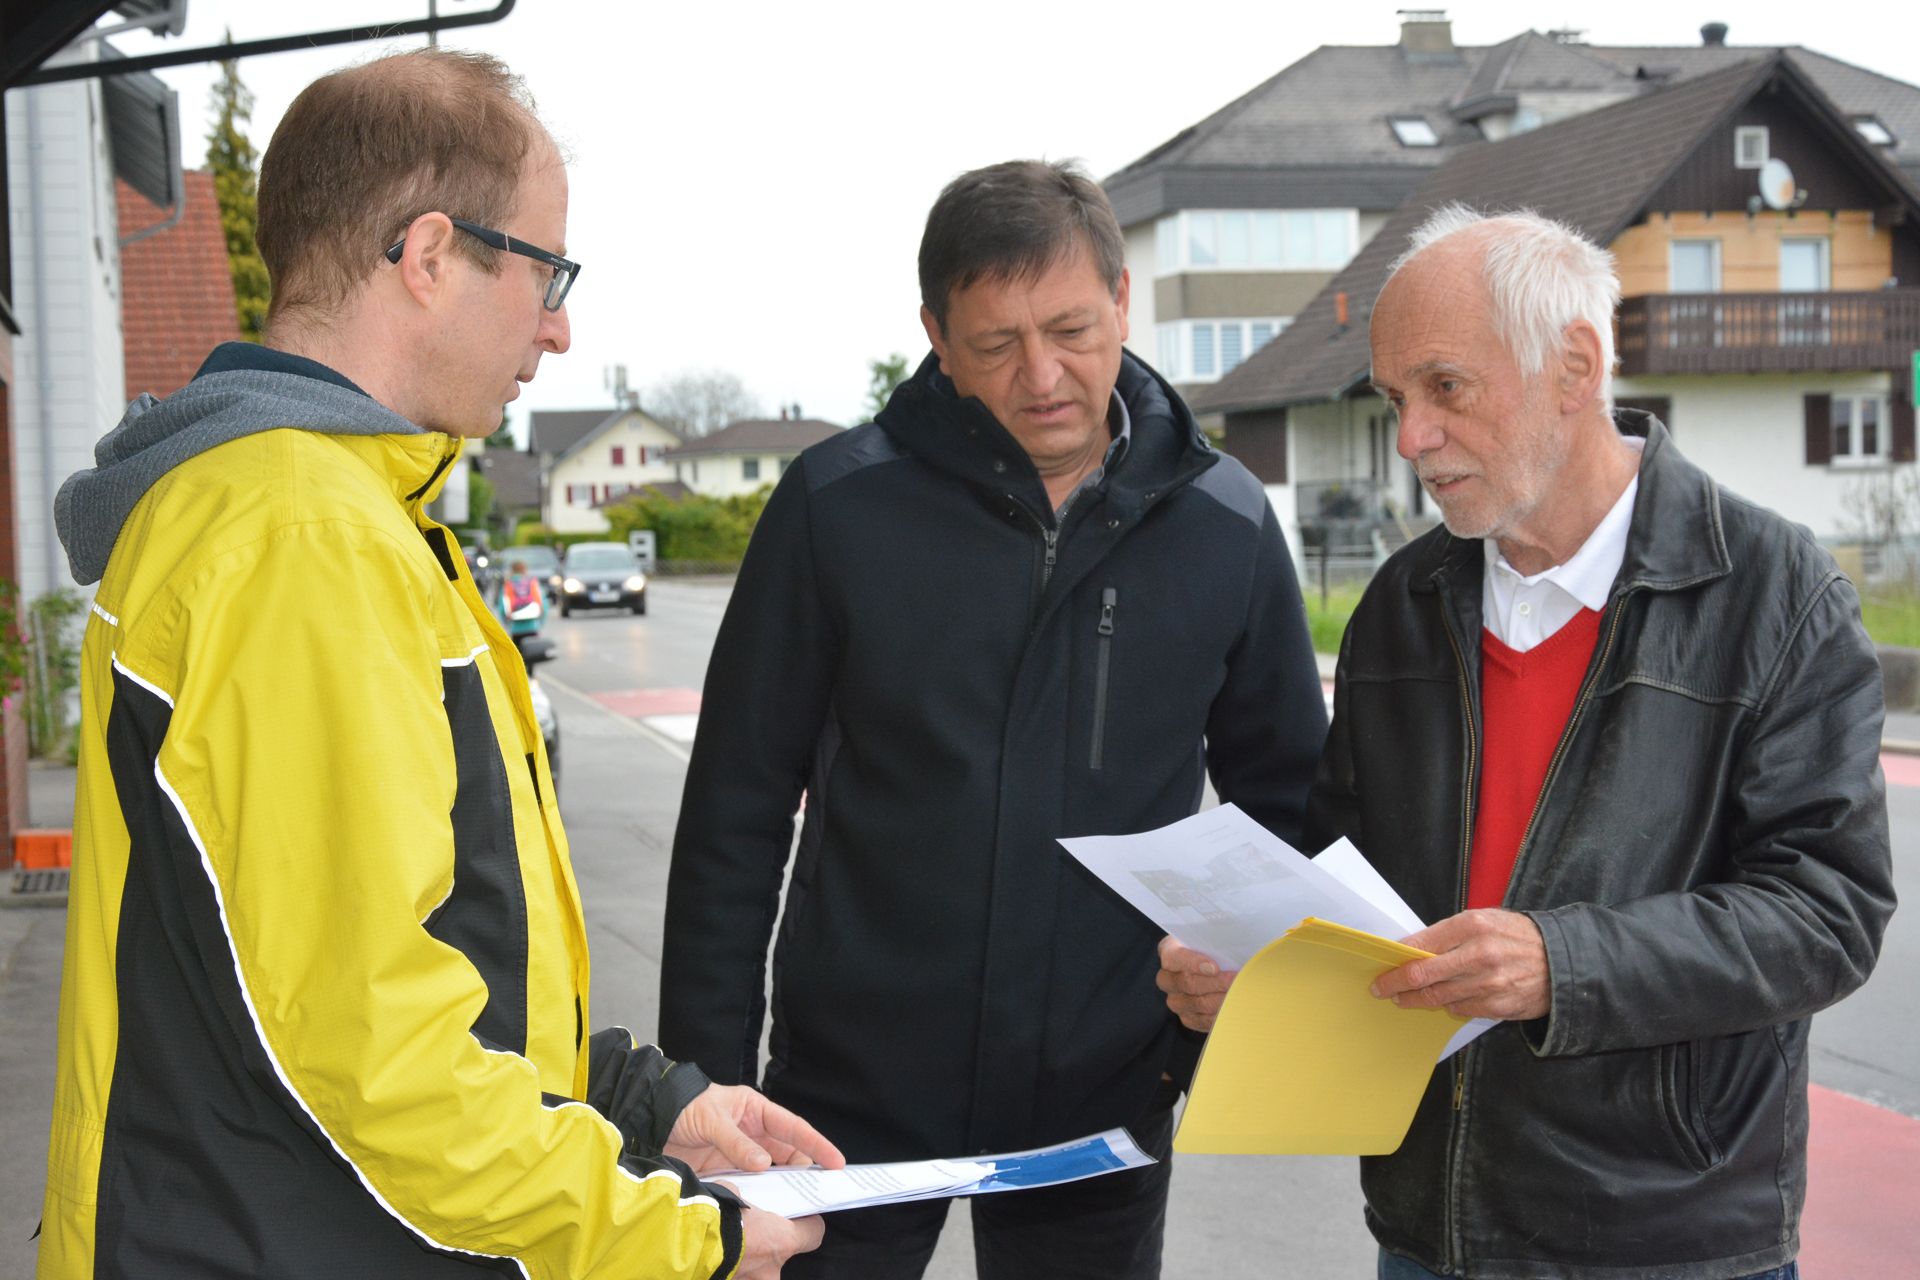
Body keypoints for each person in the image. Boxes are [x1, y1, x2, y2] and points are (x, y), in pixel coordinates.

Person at [43, 48, 839, 1279]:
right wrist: (680, 1231)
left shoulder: (336, 514)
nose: (560, 326)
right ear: (428, 256)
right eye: (547, 271)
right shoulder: (301, 540)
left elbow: (414, 959)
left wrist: (644, 1101)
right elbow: (379, 1054)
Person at [1157, 206, 1896, 1279]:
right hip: (1430, 1229)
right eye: (1396, 398)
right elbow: (1349, 891)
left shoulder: (1778, 595)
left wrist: (1562, 963)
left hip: (1669, 1238)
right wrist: (1261, 972)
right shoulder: (1401, 604)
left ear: (1575, 367)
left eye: (1445, 387)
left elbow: (1827, 913)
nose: (1411, 437)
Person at [659, 159, 1327, 1279]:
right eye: (995, 343)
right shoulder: (836, 507)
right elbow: (737, 807)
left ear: (1123, 300)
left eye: (1071, 329)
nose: (1043, 375)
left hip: (1104, 1097)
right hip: (843, 1099)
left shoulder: (1225, 522)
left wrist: (1223, 1006)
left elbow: (1289, 805)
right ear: (934, 334)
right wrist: (703, 1082)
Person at [498, 557, 547, 641]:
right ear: (525, 570)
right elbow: (544, 605)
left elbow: (502, 608)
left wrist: (507, 624)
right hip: (532, 626)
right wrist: (540, 623)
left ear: (512, 570)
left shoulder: (508, 585)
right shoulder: (532, 583)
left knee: (518, 648)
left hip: (515, 628)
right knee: (533, 648)